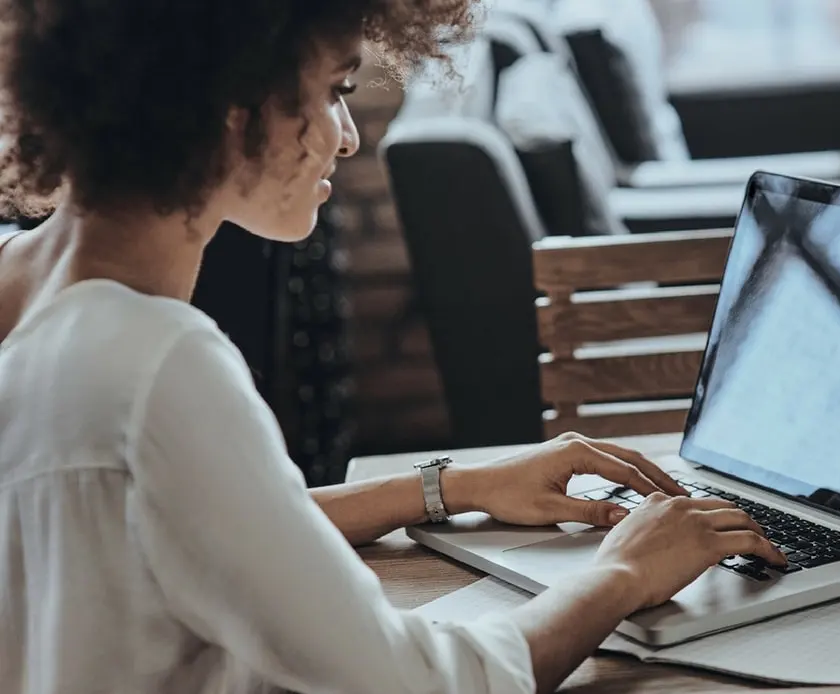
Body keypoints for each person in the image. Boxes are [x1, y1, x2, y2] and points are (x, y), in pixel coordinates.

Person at [0, 1, 784, 692]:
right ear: (234, 107)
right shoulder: (160, 363)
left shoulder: (23, 290)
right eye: (334, 91)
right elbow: (422, 684)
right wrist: (623, 572)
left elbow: (210, 521)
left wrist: (451, 486)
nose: (345, 139)